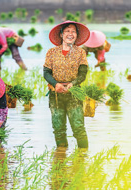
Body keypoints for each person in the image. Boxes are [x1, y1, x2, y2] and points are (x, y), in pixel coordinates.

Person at [43, 21, 90, 149]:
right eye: (67, 31)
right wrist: (56, 84)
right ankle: (61, 159)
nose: (70, 34)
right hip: (55, 95)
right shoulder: (51, 52)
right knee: (58, 129)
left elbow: (82, 74)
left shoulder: (80, 53)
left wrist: (72, 84)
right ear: (61, 34)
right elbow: (46, 73)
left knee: (78, 128)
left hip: (74, 94)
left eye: (73, 31)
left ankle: (83, 157)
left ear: (77, 35)